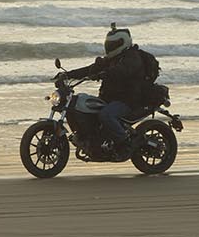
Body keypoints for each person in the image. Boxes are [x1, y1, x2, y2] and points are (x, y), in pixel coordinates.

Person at [61, 25, 151, 156]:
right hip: (109, 99)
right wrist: (68, 74)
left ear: (122, 42)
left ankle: (125, 143)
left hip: (128, 101)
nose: (110, 47)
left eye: (113, 44)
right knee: (80, 105)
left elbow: (122, 71)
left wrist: (103, 74)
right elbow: (90, 69)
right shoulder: (111, 59)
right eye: (109, 44)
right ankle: (90, 139)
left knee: (106, 115)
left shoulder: (133, 57)